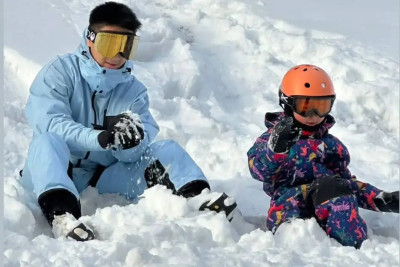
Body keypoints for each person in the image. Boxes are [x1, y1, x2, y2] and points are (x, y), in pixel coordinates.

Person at [21, 1, 238, 242]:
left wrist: (131, 143)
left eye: (126, 46)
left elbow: (136, 155)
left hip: (102, 178)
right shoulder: (60, 72)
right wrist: (98, 138)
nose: (117, 55)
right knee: (47, 141)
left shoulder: (133, 91)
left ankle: (199, 199)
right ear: (90, 38)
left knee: (166, 149)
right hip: (52, 172)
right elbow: (49, 122)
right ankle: (63, 218)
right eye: (109, 43)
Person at [247, 64, 399, 248]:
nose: (314, 115)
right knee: (296, 237)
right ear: (287, 103)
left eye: (321, 106)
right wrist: (275, 150)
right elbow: (259, 170)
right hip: (289, 210)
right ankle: (294, 249)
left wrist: (380, 198)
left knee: (334, 187)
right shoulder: (273, 140)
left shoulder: (332, 146)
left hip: (331, 205)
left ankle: (351, 252)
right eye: (306, 106)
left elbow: (346, 184)